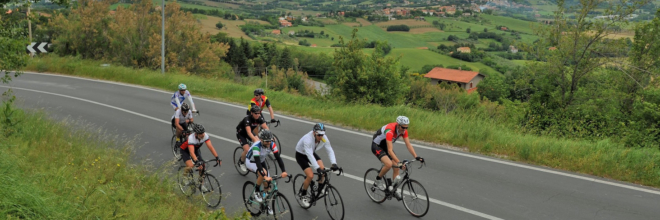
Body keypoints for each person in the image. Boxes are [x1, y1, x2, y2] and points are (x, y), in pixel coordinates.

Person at [371, 116, 424, 198]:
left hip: (386, 146)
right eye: (403, 127)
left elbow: (408, 145)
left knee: (396, 167)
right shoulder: (390, 130)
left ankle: (393, 189)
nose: (405, 129)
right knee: (388, 164)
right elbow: (390, 150)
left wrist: (416, 156)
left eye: (406, 127)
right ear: (398, 125)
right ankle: (378, 180)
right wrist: (399, 162)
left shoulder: (403, 131)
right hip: (377, 145)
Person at [294, 123, 339, 207]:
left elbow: (329, 150)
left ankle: (320, 187)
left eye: (322, 135)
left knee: (323, 170)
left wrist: (334, 163)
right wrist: (317, 168)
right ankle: (303, 195)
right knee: (310, 176)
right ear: (314, 133)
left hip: (311, 152)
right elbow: (309, 155)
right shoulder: (307, 139)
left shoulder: (323, 138)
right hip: (301, 155)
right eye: (319, 135)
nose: (321, 137)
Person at [246, 129, 287, 215]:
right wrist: (264, 176)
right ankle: (256, 190)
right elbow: (257, 162)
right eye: (266, 141)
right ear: (261, 140)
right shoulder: (256, 146)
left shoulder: (272, 144)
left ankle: (265, 204)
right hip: (251, 161)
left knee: (267, 185)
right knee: (263, 173)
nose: (269, 143)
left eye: (270, 141)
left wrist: (284, 171)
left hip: (261, 160)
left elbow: (278, 158)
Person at [180, 124, 221, 191]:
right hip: (185, 150)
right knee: (190, 165)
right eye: (200, 133)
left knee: (202, 166)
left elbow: (210, 147)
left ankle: (201, 185)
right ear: (196, 134)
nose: (203, 135)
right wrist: (196, 161)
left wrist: (217, 157)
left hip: (195, 149)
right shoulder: (191, 138)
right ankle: (184, 178)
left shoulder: (205, 136)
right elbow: (191, 153)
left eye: (203, 133)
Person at [236, 105, 269, 173]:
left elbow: (265, 127)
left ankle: (255, 157)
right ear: (251, 113)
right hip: (241, 133)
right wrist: (255, 140)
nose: (257, 115)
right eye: (255, 113)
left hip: (250, 132)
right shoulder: (247, 119)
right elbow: (248, 132)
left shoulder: (259, 118)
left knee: (259, 142)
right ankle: (241, 162)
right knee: (247, 149)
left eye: (259, 113)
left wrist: (270, 136)